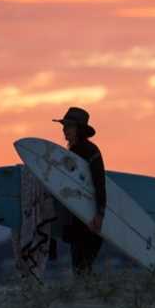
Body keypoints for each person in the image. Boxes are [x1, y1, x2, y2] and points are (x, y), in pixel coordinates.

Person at [52, 106, 107, 275]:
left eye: (69, 126)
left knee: (82, 264)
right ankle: (86, 292)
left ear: (80, 129)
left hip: (89, 217)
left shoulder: (90, 151)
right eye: (64, 126)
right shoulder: (72, 153)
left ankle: (88, 295)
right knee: (80, 266)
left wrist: (99, 214)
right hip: (77, 217)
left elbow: (99, 183)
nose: (64, 130)